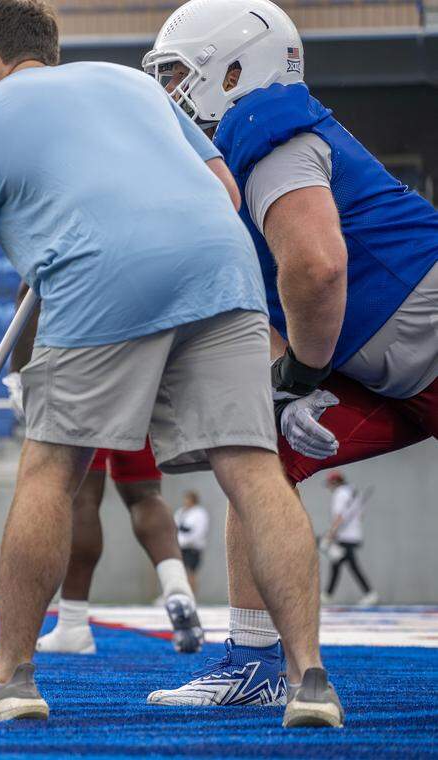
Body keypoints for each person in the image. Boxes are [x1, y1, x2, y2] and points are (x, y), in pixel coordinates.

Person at [0, 0, 339, 728]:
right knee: (253, 469)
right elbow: (226, 191)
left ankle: (11, 677)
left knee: (52, 469)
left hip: (100, 270)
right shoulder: (134, 83)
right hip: (221, 263)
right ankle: (310, 681)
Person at [144, 0, 436, 709]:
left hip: (415, 343)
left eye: (181, 72)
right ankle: (252, 661)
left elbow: (317, 267)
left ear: (237, 68)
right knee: (258, 451)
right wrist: (283, 385)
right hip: (392, 367)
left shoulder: (262, 121)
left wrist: (299, 376)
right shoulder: (228, 164)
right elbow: (276, 302)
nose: (170, 92)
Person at [6, 286, 203, 655]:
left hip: (86, 366)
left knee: (83, 499)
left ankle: (73, 624)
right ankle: (177, 586)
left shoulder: (70, 226)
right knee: (145, 494)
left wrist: (18, 373)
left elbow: (30, 292)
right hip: (143, 368)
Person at [322, 472, 376, 606]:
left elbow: (339, 516)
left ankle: (370, 593)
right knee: (337, 564)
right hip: (354, 535)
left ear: (335, 482)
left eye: (329, 484)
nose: (328, 487)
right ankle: (327, 595)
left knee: (349, 565)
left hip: (345, 536)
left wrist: (330, 534)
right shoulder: (352, 492)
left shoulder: (340, 494)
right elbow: (361, 516)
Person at [174, 490, 209, 594]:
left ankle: (192, 596)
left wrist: (186, 540)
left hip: (193, 548)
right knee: (181, 572)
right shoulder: (181, 512)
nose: (186, 501)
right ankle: (183, 594)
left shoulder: (200, 513)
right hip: (180, 547)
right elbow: (175, 527)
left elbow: (198, 532)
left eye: (188, 499)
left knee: (191, 572)